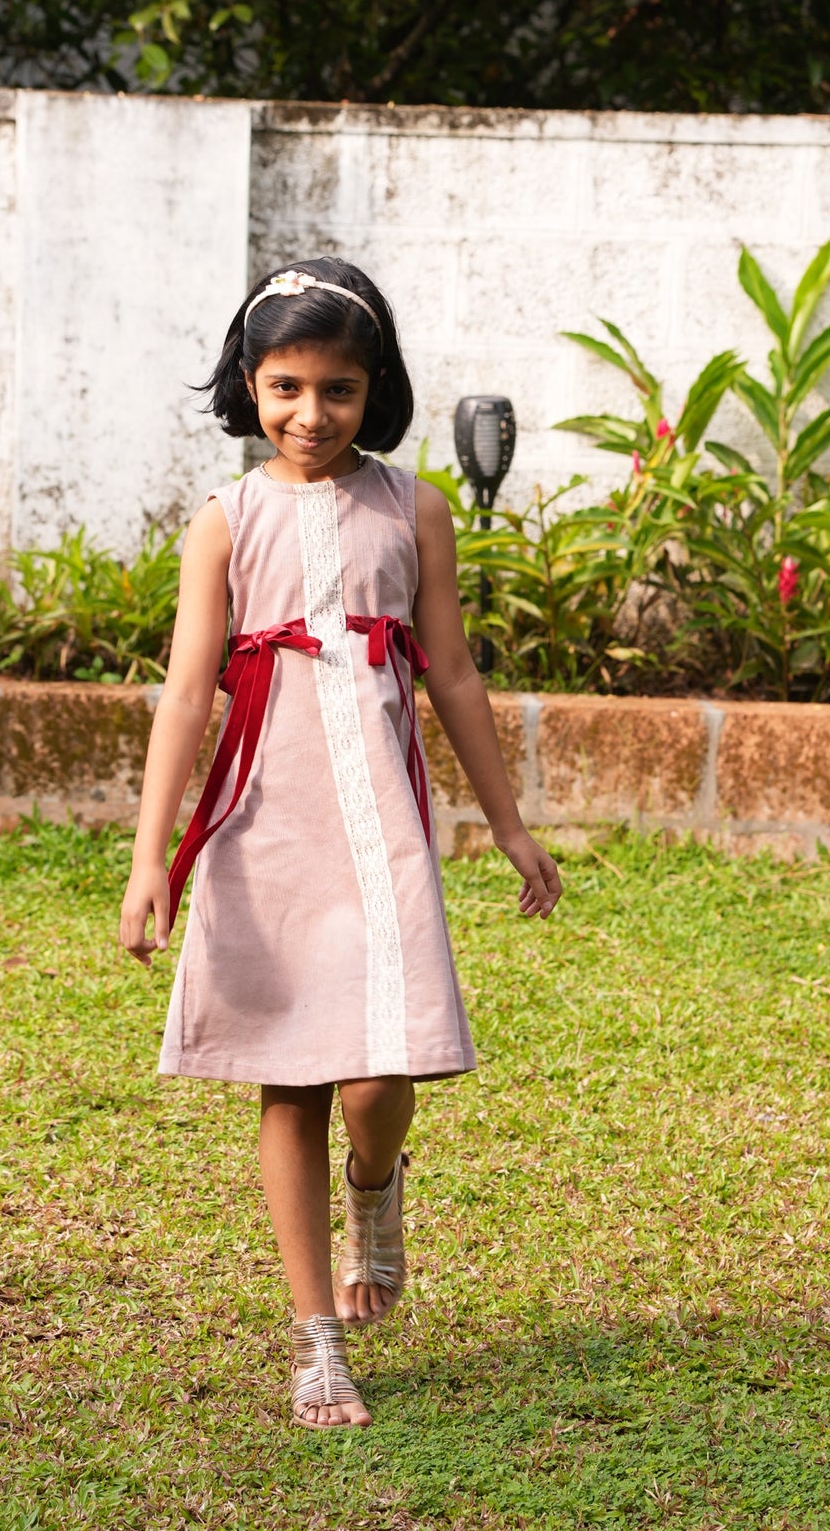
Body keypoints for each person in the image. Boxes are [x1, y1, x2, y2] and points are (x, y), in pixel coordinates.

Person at [119, 259, 562, 1429]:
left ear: (376, 391)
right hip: (263, 825)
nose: (309, 414)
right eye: (284, 387)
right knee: (292, 1076)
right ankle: (318, 1340)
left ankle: (378, 1185)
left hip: (377, 822)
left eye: (338, 389)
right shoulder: (225, 521)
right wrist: (146, 859)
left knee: (378, 1075)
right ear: (248, 385)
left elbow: (453, 672)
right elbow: (181, 697)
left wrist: (508, 826)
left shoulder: (414, 507)